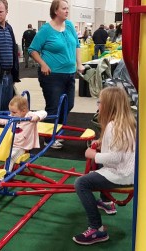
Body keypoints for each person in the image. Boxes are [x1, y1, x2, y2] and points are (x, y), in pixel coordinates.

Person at [73, 86, 136, 245]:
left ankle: (97, 229)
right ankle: (106, 202)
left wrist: (93, 154)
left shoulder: (114, 127)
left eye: (100, 102)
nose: (97, 105)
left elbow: (115, 157)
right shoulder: (125, 122)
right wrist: (102, 142)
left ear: (108, 106)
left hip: (122, 173)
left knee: (82, 183)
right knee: (99, 170)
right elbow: (119, 147)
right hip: (127, 170)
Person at [28, 0, 85, 149]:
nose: (67, 11)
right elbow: (32, 49)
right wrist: (43, 64)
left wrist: (79, 64)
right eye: (64, 8)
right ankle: (49, 138)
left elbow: (77, 46)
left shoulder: (70, 26)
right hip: (52, 75)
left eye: (68, 8)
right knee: (53, 106)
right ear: (56, 11)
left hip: (70, 74)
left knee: (68, 104)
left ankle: (57, 131)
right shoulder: (46, 30)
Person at [0, 95, 47, 171]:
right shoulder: (12, 116)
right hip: (9, 144)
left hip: (21, 147)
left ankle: (4, 175)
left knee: (10, 157)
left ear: (24, 111)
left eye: (14, 112)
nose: (11, 114)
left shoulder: (29, 116)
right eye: (10, 111)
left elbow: (44, 112)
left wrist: (37, 117)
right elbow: (2, 121)